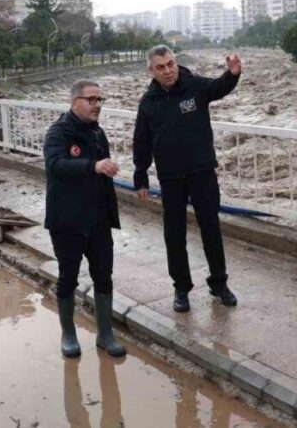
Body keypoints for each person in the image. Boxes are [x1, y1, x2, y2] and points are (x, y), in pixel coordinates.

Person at [133, 46, 242, 313]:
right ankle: (181, 288)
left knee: (210, 230)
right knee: (174, 234)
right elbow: (142, 142)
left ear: (176, 62)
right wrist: (141, 176)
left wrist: (232, 74)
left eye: (170, 64)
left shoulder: (194, 86)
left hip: (202, 173)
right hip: (171, 178)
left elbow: (218, 87)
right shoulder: (148, 102)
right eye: (161, 67)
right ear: (151, 70)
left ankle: (219, 284)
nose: (168, 71)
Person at [43, 79, 126, 359]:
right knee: (68, 277)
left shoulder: (97, 133)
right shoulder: (58, 132)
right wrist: (93, 165)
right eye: (91, 100)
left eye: (100, 100)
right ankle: (68, 333)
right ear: (74, 102)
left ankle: (105, 334)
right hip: (67, 220)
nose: (97, 105)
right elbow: (56, 165)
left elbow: (101, 170)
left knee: (104, 275)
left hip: (99, 219)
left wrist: (106, 167)